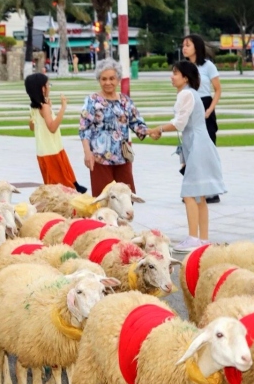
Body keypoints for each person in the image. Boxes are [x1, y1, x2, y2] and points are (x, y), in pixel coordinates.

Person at [148, 61, 226, 251]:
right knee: (199, 195)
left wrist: (158, 129)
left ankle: (193, 239)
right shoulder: (189, 94)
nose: (171, 76)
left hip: (198, 144)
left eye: (175, 73)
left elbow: (179, 123)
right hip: (197, 143)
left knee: (190, 193)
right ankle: (203, 240)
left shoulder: (186, 94)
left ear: (185, 78)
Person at [78, 58, 148, 194]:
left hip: (122, 157)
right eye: (104, 79)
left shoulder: (125, 100)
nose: (108, 82)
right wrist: (87, 153)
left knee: (126, 199)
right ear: (99, 80)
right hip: (100, 159)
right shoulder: (92, 100)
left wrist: (152, 132)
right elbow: (84, 129)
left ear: (118, 79)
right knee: (103, 198)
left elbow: (136, 123)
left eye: (112, 78)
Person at [25, 72, 84, 191]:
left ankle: (75, 188)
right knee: (61, 186)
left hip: (44, 150)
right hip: (52, 150)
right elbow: (52, 128)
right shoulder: (44, 107)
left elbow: (32, 127)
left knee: (54, 182)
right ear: (42, 88)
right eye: (48, 85)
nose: (49, 87)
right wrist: (63, 108)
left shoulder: (35, 107)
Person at [182, 34, 222, 203]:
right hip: (190, 106)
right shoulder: (184, 67)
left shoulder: (208, 66)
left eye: (187, 45)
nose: (184, 48)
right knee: (190, 150)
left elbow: (218, 90)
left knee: (206, 149)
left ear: (196, 47)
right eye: (183, 45)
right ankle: (193, 190)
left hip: (205, 106)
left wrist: (209, 110)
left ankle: (212, 192)